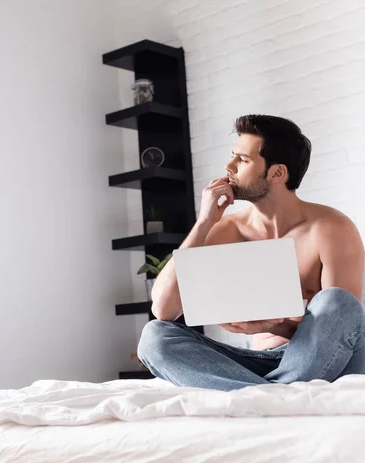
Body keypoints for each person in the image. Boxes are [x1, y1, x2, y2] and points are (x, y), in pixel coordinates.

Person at [137, 114, 365, 391]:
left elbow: (343, 323)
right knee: (154, 336)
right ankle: (273, 395)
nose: (228, 167)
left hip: (323, 359)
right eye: (233, 156)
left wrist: (277, 327)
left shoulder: (329, 229)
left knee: (337, 301)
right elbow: (163, 309)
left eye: (242, 160)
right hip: (257, 361)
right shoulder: (224, 230)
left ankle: (258, 394)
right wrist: (204, 222)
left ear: (277, 173)